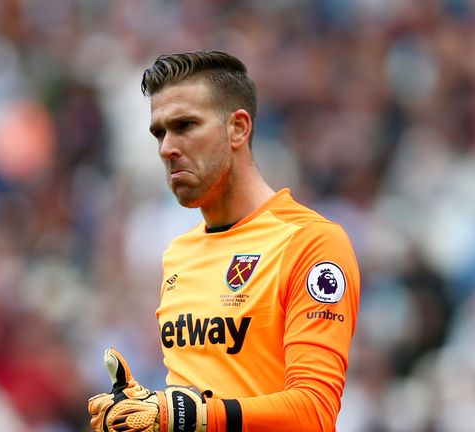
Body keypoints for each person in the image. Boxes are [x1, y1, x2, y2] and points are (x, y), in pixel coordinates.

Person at [88, 50, 361, 432]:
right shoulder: (178, 254)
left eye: (185, 126)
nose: (167, 147)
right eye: (160, 132)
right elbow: (199, 400)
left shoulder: (311, 243)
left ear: (238, 128)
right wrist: (146, 413)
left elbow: (314, 411)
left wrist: (185, 416)